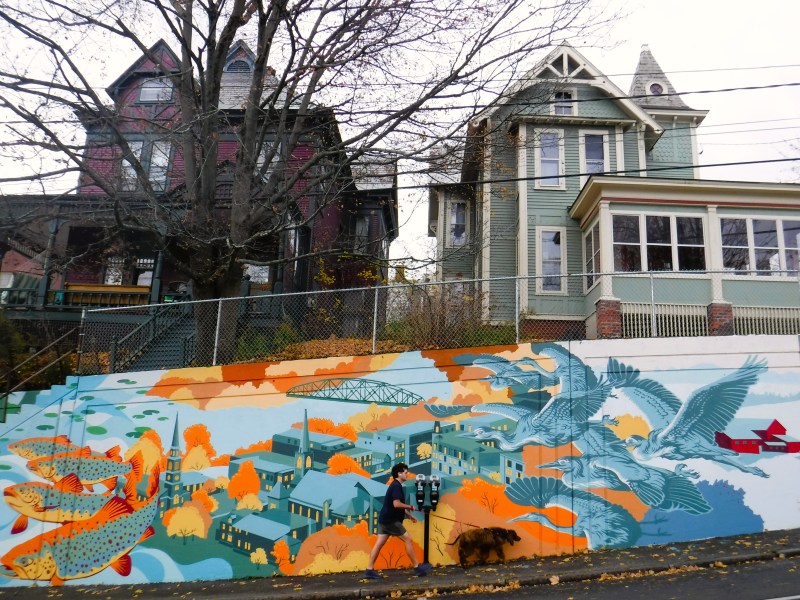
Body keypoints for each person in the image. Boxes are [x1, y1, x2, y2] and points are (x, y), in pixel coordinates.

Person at [364, 462, 431, 579]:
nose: (407, 474)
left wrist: (409, 515)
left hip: (384, 519)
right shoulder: (396, 486)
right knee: (408, 539)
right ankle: (417, 568)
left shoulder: (395, 485)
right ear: (399, 474)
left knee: (379, 544)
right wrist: (410, 507)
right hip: (391, 521)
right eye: (405, 472)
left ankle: (369, 570)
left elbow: (395, 505)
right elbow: (396, 504)